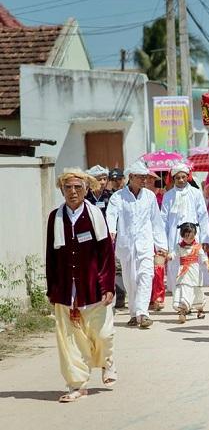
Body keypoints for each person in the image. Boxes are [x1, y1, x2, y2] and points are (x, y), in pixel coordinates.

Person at [46, 168, 116, 402]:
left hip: (93, 287)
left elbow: (106, 252)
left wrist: (108, 285)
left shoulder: (95, 215)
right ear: (62, 190)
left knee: (103, 334)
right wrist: (52, 288)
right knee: (70, 340)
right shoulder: (56, 218)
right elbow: (51, 256)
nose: (73, 192)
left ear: (87, 189)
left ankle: (107, 361)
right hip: (67, 289)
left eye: (78, 187)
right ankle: (78, 385)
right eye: (68, 187)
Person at [106, 160, 167, 328]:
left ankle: (142, 313)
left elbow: (156, 222)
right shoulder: (117, 197)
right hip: (126, 245)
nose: (144, 180)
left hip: (145, 244)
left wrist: (161, 245)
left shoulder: (150, 197)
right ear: (131, 177)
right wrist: (111, 230)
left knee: (146, 276)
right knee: (130, 280)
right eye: (140, 177)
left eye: (145, 177)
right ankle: (134, 313)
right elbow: (111, 215)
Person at [161, 163, 209, 296]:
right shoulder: (168, 196)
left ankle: (193, 298)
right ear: (174, 179)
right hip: (174, 236)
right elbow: (163, 220)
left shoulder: (195, 193)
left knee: (193, 266)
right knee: (175, 266)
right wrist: (162, 242)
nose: (181, 180)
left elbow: (204, 216)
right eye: (178, 178)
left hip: (193, 236)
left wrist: (206, 239)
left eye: (184, 177)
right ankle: (179, 298)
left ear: (188, 177)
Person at [166, 222, 209, 323]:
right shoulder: (178, 246)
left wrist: (207, 265)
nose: (190, 239)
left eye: (192, 237)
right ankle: (183, 311)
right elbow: (173, 255)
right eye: (187, 237)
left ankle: (200, 309)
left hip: (195, 272)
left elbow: (203, 257)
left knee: (197, 290)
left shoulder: (197, 246)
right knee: (184, 289)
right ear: (182, 235)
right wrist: (167, 256)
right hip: (183, 272)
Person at [144, 170, 166, 311]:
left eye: (153, 178)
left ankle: (158, 297)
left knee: (158, 267)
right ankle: (148, 298)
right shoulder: (141, 196)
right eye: (147, 177)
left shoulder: (162, 195)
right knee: (146, 269)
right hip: (144, 236)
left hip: (158, 235)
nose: (150, 180)